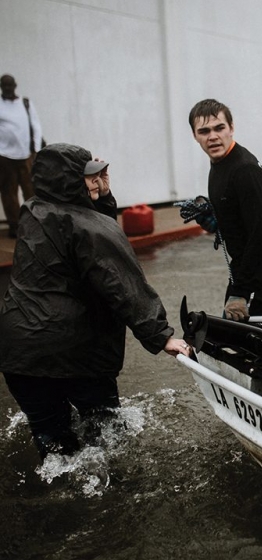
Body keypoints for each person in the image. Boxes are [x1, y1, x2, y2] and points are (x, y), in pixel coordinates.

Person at [0, 143, 191, 459]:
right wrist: (162, 336)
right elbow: (123, 286)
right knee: (107, 440)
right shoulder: (90, 227)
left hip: (19, 354)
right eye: (87, 177)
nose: (95, 181)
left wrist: (101, 195)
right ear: (69, 181)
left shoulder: (33, 210)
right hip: (75, 353)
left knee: (55, 449)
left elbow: (79, 223)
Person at [189, 99, 262, 320]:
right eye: (204, 131)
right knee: (234, 333)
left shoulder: (245, 170)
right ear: (195, 135)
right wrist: (217, 220)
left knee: (251, 343)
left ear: (231, 128)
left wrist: (241, 292)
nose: (213, 136)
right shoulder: (220, 163)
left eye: (219, 128)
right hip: (245, 266)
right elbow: (239, 215)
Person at [0, 74, 43, 237]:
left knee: (30, 189)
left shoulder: (25, 103)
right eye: (4, 86)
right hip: (4, 156)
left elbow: (36, 125)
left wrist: (36, 150)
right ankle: (14, 225)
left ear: (15, 85)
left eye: (10, 85)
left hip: (25, 156)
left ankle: (35, 221)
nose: (7, 89)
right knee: (8, 192)